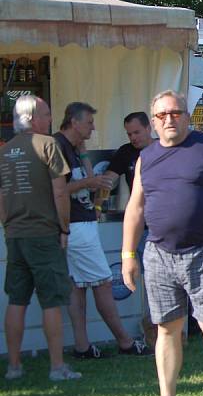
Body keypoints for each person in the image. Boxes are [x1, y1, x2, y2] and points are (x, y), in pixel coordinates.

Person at [121, 90, 203, 396]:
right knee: (166, 329)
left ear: (187, 115)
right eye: (162, 115)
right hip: (159, 254)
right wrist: (128, 255)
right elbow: (135, 207)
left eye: (175, 113)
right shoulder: (147, 157)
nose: (169, 119)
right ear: (154, 121)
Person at [53, 102, 150, 359]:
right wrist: (90, 183)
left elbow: (86, 182)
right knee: (104, 284)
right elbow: (60, 190)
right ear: (74, 122)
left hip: (82, 222)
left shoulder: (71, 148)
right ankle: (126, 342)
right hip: (76, 226)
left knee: (78, 286)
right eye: (89, 123)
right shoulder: (57, 146)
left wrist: (83, 154)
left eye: (135, 133)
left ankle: (83, 347)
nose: (93, 127)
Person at [1, 96, 81, 381]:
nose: (50, 119)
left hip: (14, 235)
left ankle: (13, 367)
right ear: (33, 118)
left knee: (16, 300)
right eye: (47, 114)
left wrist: (8, 224)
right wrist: (64, 228)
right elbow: (61, 192)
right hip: (44, 234)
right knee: (51, 301)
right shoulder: (48, 145)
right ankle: (57, 368)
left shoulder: (5, 150)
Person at [103, 111, 157, 346]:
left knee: (162, 281)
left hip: (166, 225)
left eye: (136, 132)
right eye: (129, 133)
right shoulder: (126, 152)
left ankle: (178, 329)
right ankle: (153, 328)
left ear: (149, 128)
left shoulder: (163, 148)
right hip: (142, 227)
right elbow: (108, 179)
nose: (133, 137)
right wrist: (97, 202)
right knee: (150, 281)